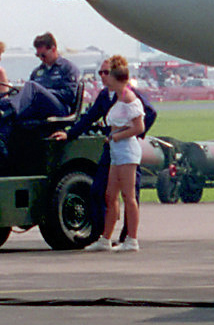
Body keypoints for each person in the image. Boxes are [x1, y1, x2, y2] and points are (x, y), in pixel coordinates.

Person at [54, 77, 158, 246]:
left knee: (129, 195)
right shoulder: (105, 95)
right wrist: (70, 133)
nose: (102, 76)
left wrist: (131, 134)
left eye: (106, 72)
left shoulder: (130, 95)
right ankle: (103, 236)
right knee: (104, 193)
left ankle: (129, 238)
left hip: (126, 149)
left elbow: (149, 114)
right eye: (101, 72)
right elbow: (90, 116)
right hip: (112, 149)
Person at [0, 33, 80, 134]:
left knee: (31, 86)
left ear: (53, 49)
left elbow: (69, 95)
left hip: (59, 108)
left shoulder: (67, 68)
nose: (41, 58)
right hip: (39, 109)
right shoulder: (37, 72)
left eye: (43, 55)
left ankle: (10, 111)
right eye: (38, 55)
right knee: (7, 103)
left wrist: (43, 93)